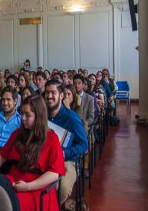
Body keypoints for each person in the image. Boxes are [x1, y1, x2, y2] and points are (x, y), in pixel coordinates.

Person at [0, 95, 65, 211]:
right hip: (14, 180)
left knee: (4, 202)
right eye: (22, 113)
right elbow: (2, 156)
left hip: (35, 187)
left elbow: (54, 174)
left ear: (39, 117)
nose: (23, 118)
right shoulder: (18, 134)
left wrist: (28, 187)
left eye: (27, 115)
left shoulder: (52, 139)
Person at [44, 79, 88, 207]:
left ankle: (54, 206)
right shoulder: (42, 115)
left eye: (53, 92)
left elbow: (83, 144)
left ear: (61, 96)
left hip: (67, 160)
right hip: (44, 157)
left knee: (62, 188)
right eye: (47, 93)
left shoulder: (71, 117)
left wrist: (64, 153)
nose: (49, 96)